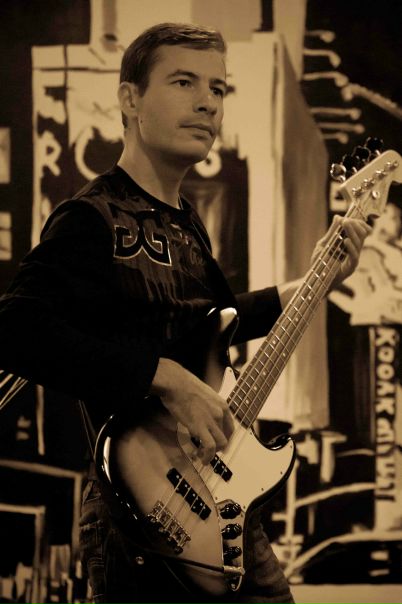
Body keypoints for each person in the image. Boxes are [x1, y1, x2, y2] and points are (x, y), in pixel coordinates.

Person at [0, 22, 371, 604]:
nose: (208, 103)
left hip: (219, 497)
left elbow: (218, 322)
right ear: (129, 99)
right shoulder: (91, 217)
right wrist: (164, 378)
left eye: (218, 88)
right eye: (184, 82)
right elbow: (16, 330)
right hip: (140, 513)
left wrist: (317, 279)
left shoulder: (187, 224)